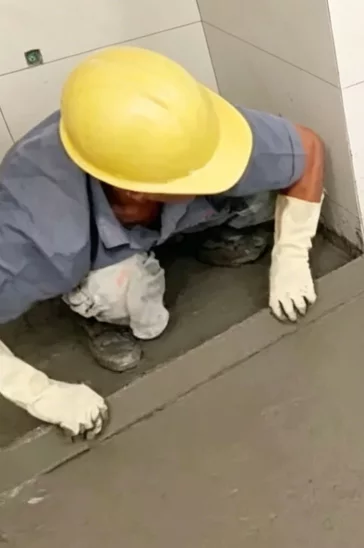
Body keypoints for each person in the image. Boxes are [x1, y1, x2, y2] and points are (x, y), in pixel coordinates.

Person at [0, 46, 325, 439]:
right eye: (198, 171)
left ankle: (198, 235)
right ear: (136, 189)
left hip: (155, 208)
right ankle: (91, 310)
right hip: (89, 249)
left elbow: (307, 148)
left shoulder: (180, 132)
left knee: (259, 199)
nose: (216, 165)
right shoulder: (35, 225)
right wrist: (42, 395)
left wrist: (291, 255)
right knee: (120, 292)